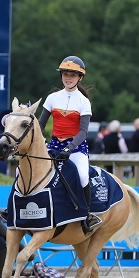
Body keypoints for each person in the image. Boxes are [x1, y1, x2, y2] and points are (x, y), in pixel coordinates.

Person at [38, 55, 100, 235]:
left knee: (82, 176)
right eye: (65, 73)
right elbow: (40, 125)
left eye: (73, 74)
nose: (68, 77)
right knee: (23, 169)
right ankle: (14, 209)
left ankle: (87, 215)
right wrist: (39, 141)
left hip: (76, 147)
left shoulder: (83, 101)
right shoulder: (52, 98)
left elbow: (83, 132)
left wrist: (70, 148)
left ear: (80, 77)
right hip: (54, 145)